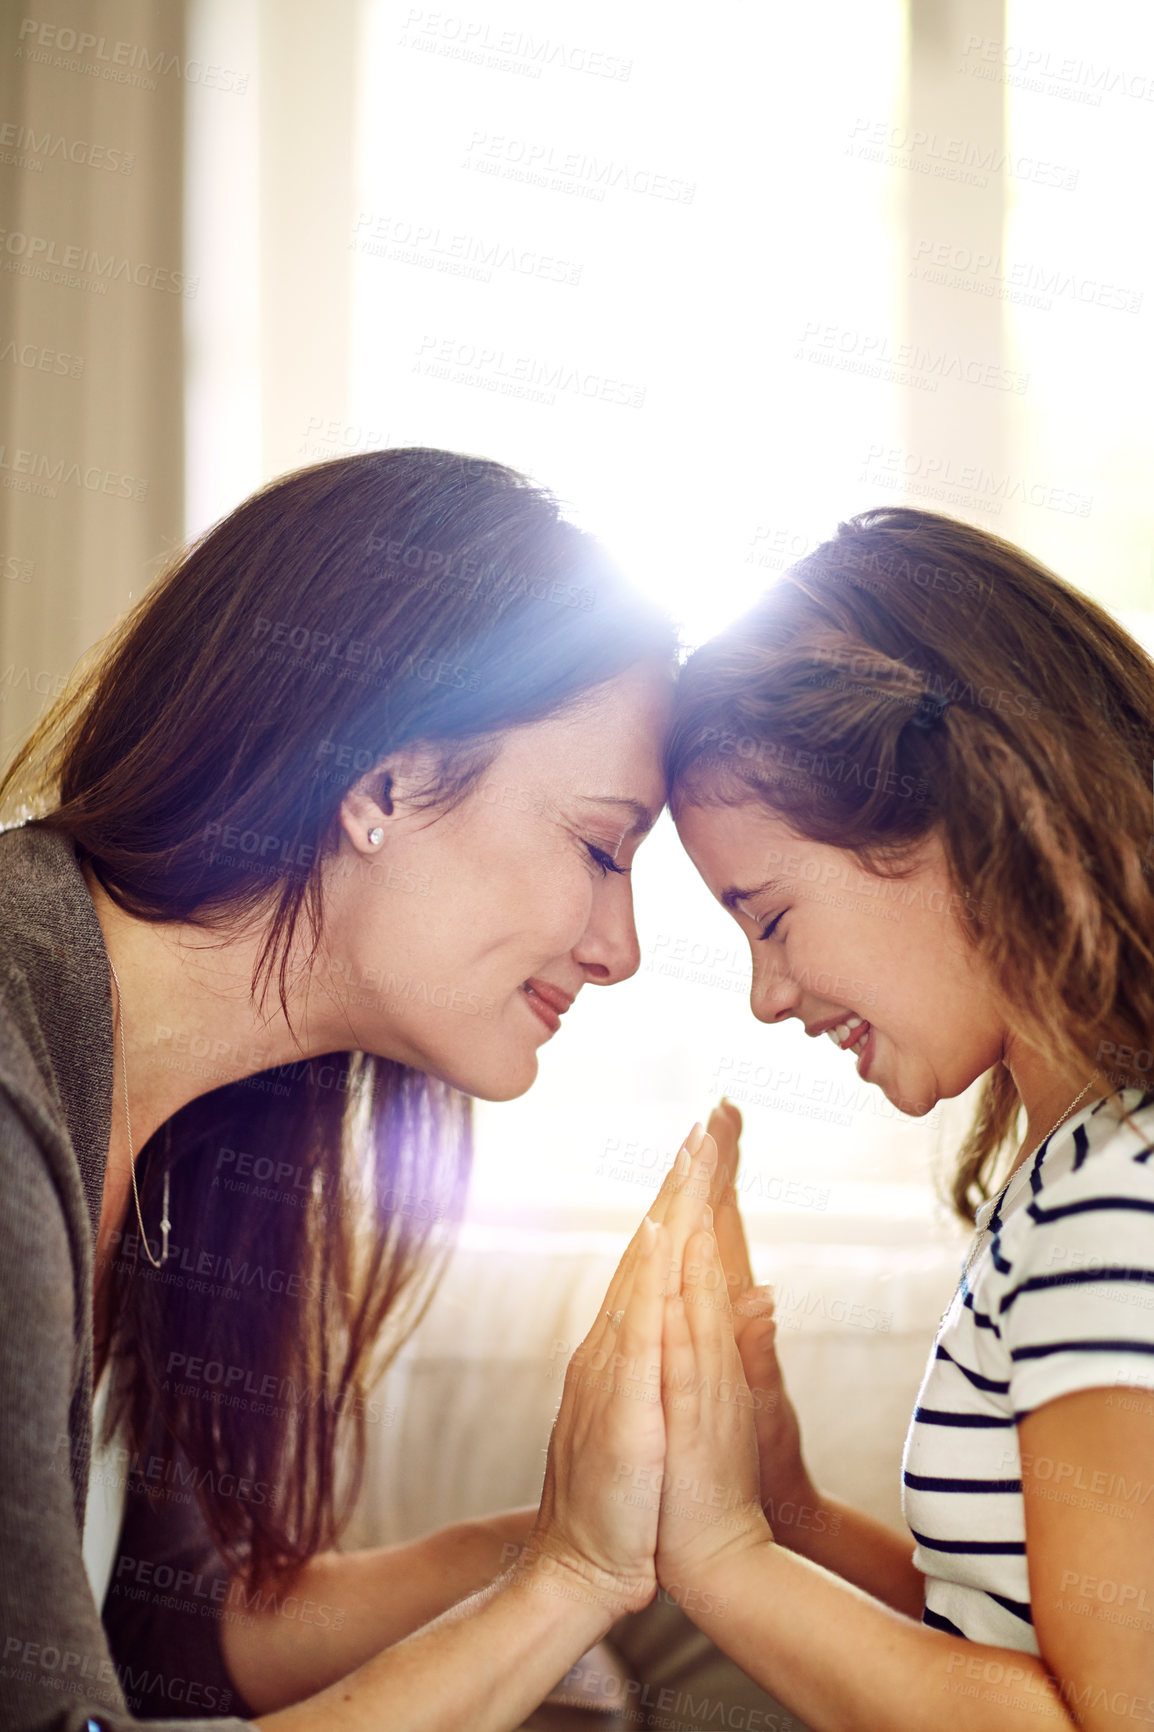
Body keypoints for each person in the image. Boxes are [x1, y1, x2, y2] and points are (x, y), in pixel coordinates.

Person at [0, 445, 694, 1731]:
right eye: (599, 846)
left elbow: (155, 1633)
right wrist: (563, 1582)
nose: (621, 945)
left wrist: (576, 1530)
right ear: (380, 784)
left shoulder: (175, 1123)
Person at [594, 505, 1154, 1730]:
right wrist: (785, 1501)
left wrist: (725, 1559)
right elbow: (1008, 1632)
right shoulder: (1074, 1172)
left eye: (772, 917)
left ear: (965, 812)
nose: (766, 994)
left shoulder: (1116, 1197)